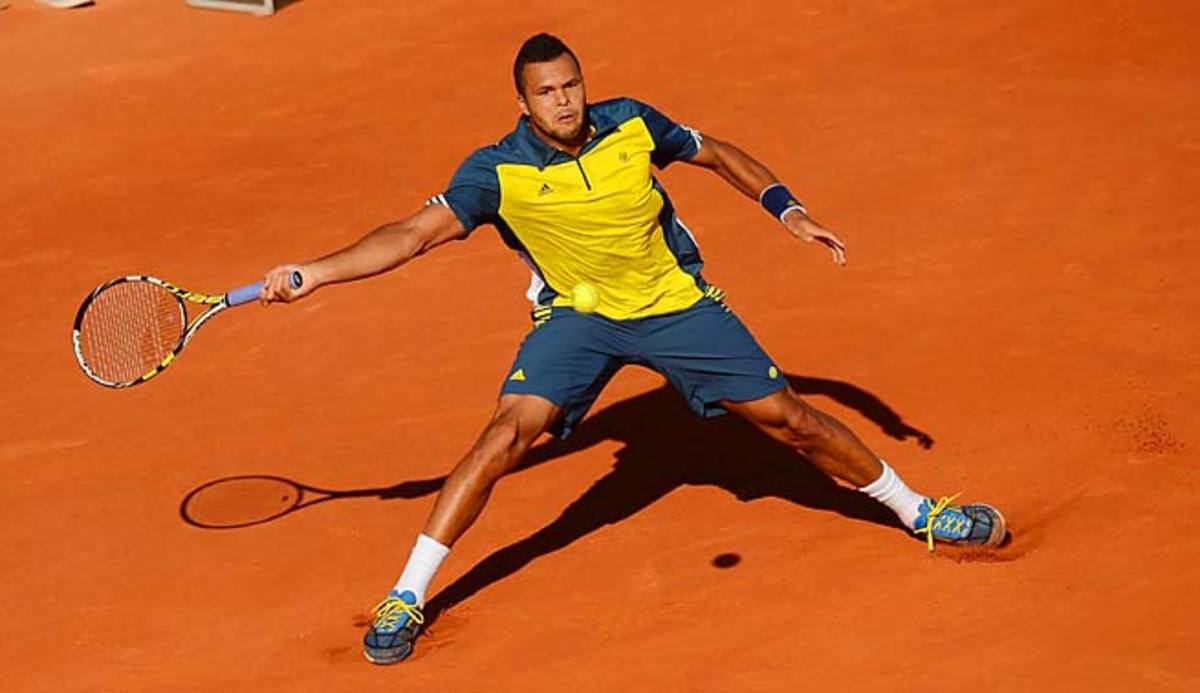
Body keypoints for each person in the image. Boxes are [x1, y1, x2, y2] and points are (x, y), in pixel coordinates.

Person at [259, 33, 1007, 665]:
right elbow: (411, 235)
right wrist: (314, 272)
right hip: (578, 321)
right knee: (503, 437)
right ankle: (406, 595)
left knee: (793, 420)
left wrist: (790, 211)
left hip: (675, 305)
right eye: (547, 92)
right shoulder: (495, 171)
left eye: (572, 85)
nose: (565, 101)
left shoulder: (632, 125)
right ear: (522, 103)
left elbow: (716, 154)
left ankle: (921, 512)